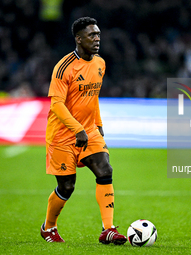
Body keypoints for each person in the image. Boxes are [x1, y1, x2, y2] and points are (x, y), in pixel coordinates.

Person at [40, 17, 127, 245]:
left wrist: (97, 123)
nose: (97, 39)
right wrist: (77, 129)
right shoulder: (64, 67)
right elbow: (56, 104)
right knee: (66, 187)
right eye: (91, 35)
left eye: (98, 34)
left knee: (105, 170)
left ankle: (108, 229)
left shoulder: (100, 63)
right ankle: (48, 227)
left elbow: (92, 97)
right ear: (79, 39)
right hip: (62, 136)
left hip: (89, 131)